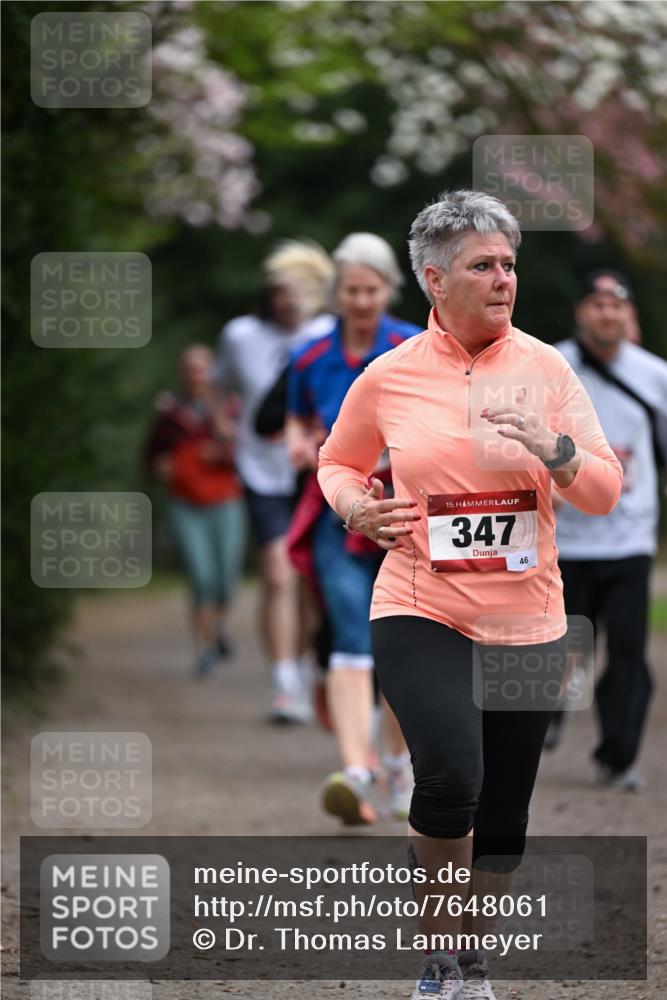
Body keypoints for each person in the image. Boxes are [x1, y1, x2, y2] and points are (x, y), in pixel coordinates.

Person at [317, 192, 622, 999]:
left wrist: (555, 451)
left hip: (528, 617)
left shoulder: (545, 369)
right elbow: (337, 461)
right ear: (433, 279)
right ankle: (439, 959)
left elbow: (602, 491)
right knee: (450, 776)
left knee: (504, 819)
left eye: (508, 265)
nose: (502, 279)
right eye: (482, 266)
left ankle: (472, 955)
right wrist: (354, 507)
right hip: (421, 603)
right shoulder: (389, 376)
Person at [285, 233, 421, 825]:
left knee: (401, 642)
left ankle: (398, 764)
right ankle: (356, 772)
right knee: (348, 633)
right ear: (335, 294)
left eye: (371, 290)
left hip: (404, 512)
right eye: (351, 291)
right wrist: (298, 444)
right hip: (337, 511)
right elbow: (293, 418)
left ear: (389, 289)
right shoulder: (310, 356)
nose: (361, 301)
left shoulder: (414, 347)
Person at [546, 270, 667, 789]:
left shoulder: (655, 375)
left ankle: (618, 757)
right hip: (567, 538)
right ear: (581, 312)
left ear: (629, 314)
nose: (607, 314)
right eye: (597, 304)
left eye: (616, 305)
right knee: (558, 645)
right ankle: (543, 719)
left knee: (628, 652)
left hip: (629, 539)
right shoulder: (552, 367)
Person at [217, 241, 334, 722]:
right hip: (260, 470)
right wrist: (222, 424)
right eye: (281, 291)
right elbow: (216, 385)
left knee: (308, 579)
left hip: (315, 471)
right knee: (277, 570)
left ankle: (304, 670)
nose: (290, 300)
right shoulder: (240, 335)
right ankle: (284, 683)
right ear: (268, 293)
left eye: (299, 291)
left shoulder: (328, 333)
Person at [144, 345, 246, 677]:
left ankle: (216, 626)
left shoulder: (230, 407)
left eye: (202, 368)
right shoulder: (170, 413)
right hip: (186, 503)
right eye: (190, 369)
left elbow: (246, 452)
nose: (196, 375)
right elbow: (150, 456)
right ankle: (205, 650)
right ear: (182, 373)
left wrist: (219, 448)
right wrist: (163, 466)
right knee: (202, 576)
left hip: (225, 500)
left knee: (226, 578)